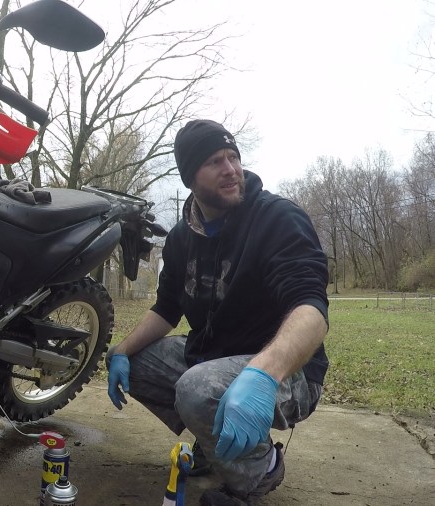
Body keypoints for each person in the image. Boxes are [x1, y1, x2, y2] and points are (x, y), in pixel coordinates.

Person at [106, 119, 329, 505]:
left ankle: (258, 470)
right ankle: (216, 445)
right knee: (137, 361)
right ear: (190, 177)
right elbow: (167, 309)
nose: (231, 169)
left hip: (286, 371)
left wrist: (263, 374)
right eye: (214, 161)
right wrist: (121, 351)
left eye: (233, 157)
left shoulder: (277, 218)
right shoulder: (181, 238)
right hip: (212, 357)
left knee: (198, 388)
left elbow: (311, 308)